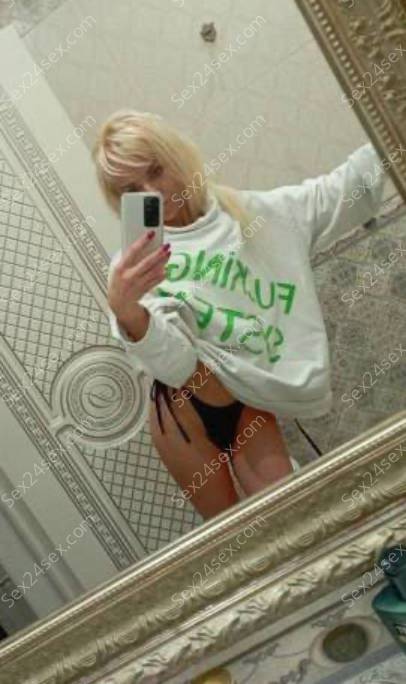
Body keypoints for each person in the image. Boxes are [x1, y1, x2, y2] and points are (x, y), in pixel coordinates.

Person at [92, 109, 387, 520]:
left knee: (294, 519)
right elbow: (177, 368)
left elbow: (344, 190)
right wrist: (129, 313)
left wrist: (390, 115)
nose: (152, 192)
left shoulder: (256, 214)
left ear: (175, 155)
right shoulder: (135, 268)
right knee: (232, 542)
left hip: (246, 405)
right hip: (180, 416)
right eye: (132, 190)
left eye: (155, 171)